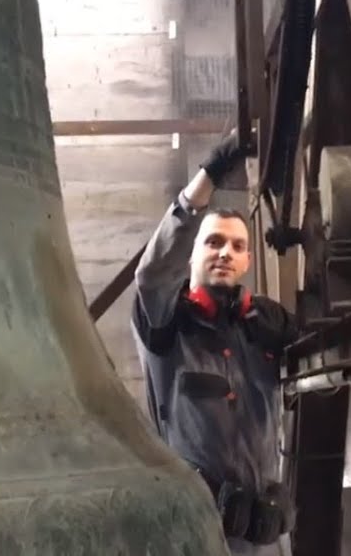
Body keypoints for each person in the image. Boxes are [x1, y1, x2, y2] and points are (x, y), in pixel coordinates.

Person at [132, 131, 302, 554]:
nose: (225, 252)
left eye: (237, 246)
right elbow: (152, 274)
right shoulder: (167, 325)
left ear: (247, 261)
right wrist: (210, 172)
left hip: (262, 539)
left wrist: (281, 494)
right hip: (195, 537)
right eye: (213, 242)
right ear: (191, 253)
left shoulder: (259, 331)